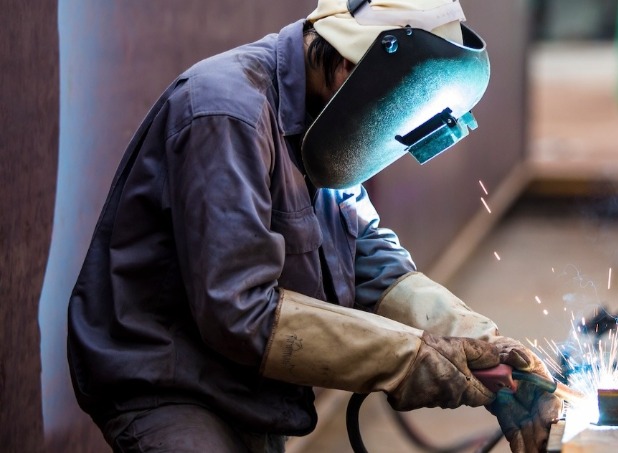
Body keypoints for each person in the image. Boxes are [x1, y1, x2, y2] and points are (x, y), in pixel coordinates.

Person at [66, 1, 561, 452]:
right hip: (169, 383)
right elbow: (241, 314)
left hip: (250, 386)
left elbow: (369, 259)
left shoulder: (325, 127)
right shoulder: (227, 114)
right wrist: (416, 359)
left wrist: (481, 343)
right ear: (351, 66)